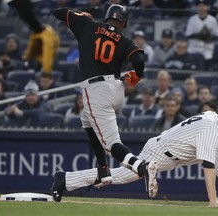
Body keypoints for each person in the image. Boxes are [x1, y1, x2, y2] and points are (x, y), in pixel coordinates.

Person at [51, 104, 218, 208]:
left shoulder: (213, 115)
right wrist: (212, 200)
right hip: (160, 153)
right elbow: (208, 165)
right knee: (118, 176)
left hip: (174, 151)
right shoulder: (211, 128)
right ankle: (66, 178)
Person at [53, 4, 158, 200]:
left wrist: (80, 14)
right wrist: (137, 76)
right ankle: (102, 169)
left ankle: (141, 166)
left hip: (96, 91)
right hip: (116, 89)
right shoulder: (124, 39)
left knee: (112, 146)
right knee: (87, 120)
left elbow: (58, 12)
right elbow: (139, 59)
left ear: (106, 16)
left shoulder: (87, 24)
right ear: (124, 23)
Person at [7, 0, 60, 74]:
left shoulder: (47, 35)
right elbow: (28, 57)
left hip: (46, 72)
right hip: (35, 69)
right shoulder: (36, 36)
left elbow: (48, 64)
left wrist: (45, 71)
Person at [185, 0, 218, 70]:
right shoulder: (192, 19)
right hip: (194, 50)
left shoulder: (212, 20)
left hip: (207, 50)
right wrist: (202, 36)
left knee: (206, 70)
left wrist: (208, 37)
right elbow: (188, 35)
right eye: (199, 6)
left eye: (203, 6)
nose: (201, 8)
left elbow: (217, 34)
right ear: (196, 8)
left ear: (207, 7)